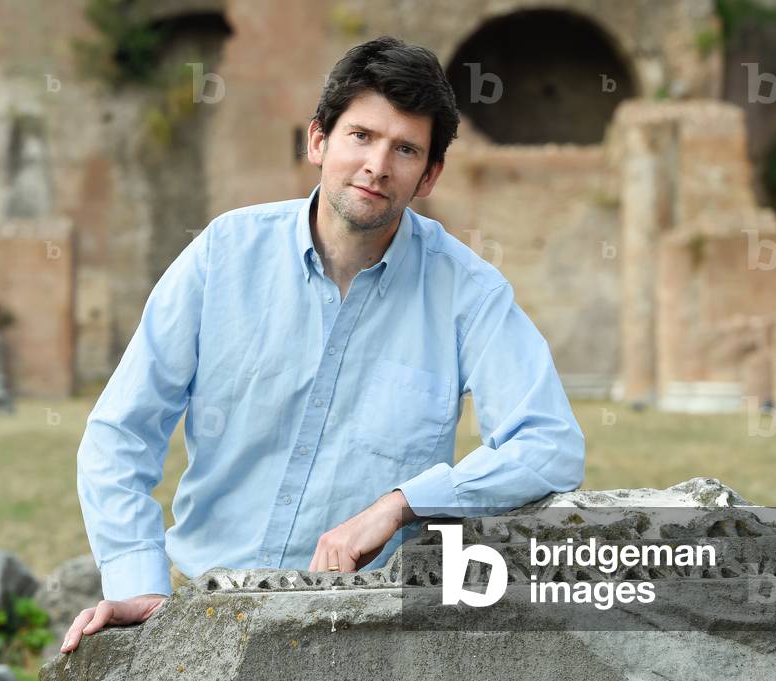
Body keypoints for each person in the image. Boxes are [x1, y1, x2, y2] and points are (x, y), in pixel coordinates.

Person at [61, 35, 585, 653]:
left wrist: (404, 502)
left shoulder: (467, 291)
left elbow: (548, 443)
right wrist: (138, 581)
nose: (377, 165)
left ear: (429, 175)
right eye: (361, 136)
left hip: (361, 633)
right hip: (196, 611)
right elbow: (120, 433)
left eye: (406, 149)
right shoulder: (224, 254)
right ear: (318, 140)